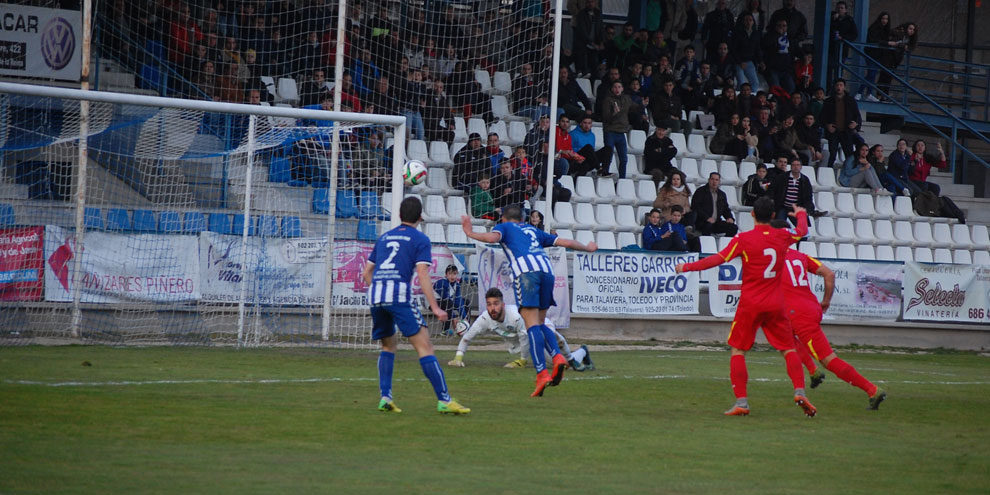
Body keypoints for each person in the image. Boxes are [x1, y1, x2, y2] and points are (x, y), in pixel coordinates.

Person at [675, 197, 814, 417]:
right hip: (776, 303)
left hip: (751, 303)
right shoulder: (783, 235)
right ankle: (800, 391)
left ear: (751, 214)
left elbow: (718, 259)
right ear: (772, 216)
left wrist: (687, 267)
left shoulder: (744, 239)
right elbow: (801, 230)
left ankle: (742, 402)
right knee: (788, 348)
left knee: (738, 349)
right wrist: (801, 213)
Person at [461, 205, 597, 397]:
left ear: (505, 219)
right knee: (540, 323)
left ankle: (541, 373)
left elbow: (492, 238)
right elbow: (564, 242)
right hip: (547, 272)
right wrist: (587, 248)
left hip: (527, 273)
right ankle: (557, 357)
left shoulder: (506, 228)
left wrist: (469, 232)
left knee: (530, 324)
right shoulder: (534, 230)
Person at [361, 197, 470, 415]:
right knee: (425, 347)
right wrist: (436, 307)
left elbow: (366, 274)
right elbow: (422, 273)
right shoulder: (420, 239)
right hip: (398, 294)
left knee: (388, 346)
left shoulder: (384, 237)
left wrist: (381, 291)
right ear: (420, 217)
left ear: (400, 216)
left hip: (376, 295)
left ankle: (385, 397)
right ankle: (445, 400)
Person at [770, 232, 887, 410]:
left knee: (828, 360)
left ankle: (872, 390)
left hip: (797, 314)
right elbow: (829, 275)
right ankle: (813, 371)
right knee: (785, 339)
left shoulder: (770, 260)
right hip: (809, 309)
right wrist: (826, 300)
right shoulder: (801, 257)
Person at [448, 288, 594, 371]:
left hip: (540, 327)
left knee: (563, 363)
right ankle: (582, 351)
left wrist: (522, 361)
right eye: (489, 304)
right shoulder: (484, 319)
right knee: (564, 366)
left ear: (503, 304)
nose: (492, 308)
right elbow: (467, 338)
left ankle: (577, 354)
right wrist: (458, 357)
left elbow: (525, 339)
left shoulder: (516, 316)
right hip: (529, 341)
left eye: (496, 304)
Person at [821, 78, 862, 168]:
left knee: (849, 155)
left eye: (841, 85)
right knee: (832, 154)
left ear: (844, 87)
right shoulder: (828, 101)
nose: (839, 87)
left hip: (846, 131)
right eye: (837, 85)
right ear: (834, 87)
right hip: (834, 131)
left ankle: (849, 174)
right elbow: (823, 116)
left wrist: (855, 124)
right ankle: (828, 172)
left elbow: (857, 116)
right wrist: (827, 125)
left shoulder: (850, 101)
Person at [877, 22, 918, 100]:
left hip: (896, 60)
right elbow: (894, 43)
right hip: (888, 56)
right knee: (884, 76)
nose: (912, 31)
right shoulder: (899, 33)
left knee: (889, 77)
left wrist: (901, 46)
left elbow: (909, 47)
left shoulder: (909, 39)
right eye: (910, 29)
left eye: (913, 30)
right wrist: (900, 45)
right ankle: (879, 95)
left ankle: (885, 95)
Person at [770, 158, 816, 225]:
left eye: (798, 165)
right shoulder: (782, 177)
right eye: (794, 165)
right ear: (791, 166)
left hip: (796, 208)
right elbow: (773, 189)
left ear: (801, 167)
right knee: (779, 226)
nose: (796, 167)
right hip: (783, 206)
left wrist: (808, 208)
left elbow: (808, 196)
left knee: (802, 229)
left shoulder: (805, 180)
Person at [691, 172, 738, 237]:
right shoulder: (700, 191)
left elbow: (725, 209)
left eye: (716, 180)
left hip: (716, 222)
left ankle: (725, 245)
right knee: (708, 226)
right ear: (709, 180)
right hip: (703, 222)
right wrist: (707, 218)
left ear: (719, 181)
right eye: (712, 179)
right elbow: (695, 207)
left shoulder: (722, 194)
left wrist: (729, 217)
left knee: (733, 228)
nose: (714, 182)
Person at [601, 81, 632, 178]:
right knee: (608, 154)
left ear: (622, 89)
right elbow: (605, 118)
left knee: (624, 158)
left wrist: (642, 105)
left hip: (621, 132)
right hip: (610, 131)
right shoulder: (608, 100)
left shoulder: (626, 99)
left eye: (619, 87)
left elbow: (634, 107)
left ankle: (622, 178)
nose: (617, 89)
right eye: (615, 87)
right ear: (612, 89)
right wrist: (614, 114)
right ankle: (604, 171)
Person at [433, 264, 468, 336]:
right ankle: (445, 330)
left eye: (454, 274)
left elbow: (458, 301)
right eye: (450, 274)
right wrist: (453, 316)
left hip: (448, 302)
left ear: (457, 275)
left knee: (466, 302)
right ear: (446, 275)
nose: (452, 276)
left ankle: (466, 325)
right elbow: (445, 299)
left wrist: (464, 317)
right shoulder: (441, 283)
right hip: (435, 302)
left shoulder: (456, 285)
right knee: (449, 303)